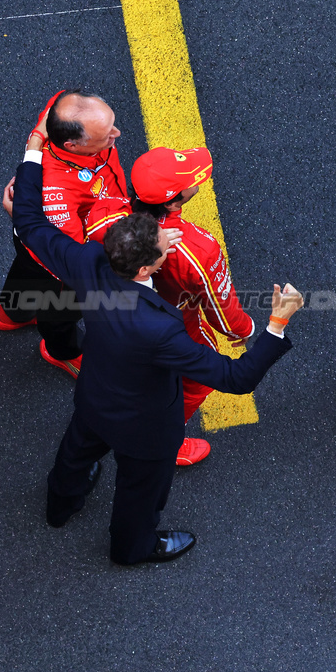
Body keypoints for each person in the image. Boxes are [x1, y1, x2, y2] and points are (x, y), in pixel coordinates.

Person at [12, 121, 302, 565]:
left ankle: (60, 506)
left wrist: (33, 154)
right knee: (141, 491)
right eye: (161, 251)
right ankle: (132, 548)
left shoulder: (87, 257)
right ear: (146, 269)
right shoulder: (165, 325)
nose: (168, 249)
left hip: (94, 397)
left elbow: (30, 221)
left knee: (76, 456)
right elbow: (236, 375)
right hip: (145, 427)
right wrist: (276, 324)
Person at [82, 147, 255, 468]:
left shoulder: (103, 212)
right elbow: (221, 311)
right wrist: (245, 329)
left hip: (109, 318)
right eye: (189, 179)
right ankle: (167, 441)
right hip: (176, 328)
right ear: (174, 203)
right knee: (196, 383)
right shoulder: (198, 248)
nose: (196, 178)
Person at [0, 90, 129, 377]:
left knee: (27, 271)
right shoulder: (57, 196)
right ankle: (60, 352)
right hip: (59, 259)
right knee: (62, 311)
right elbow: (74, 261)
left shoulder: (63, 110)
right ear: (72, 144)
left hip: (33, 245)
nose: (116, 133)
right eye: (105, 135)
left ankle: (12, 314)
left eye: (111, 123)